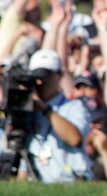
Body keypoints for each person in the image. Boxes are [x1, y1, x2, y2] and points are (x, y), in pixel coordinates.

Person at [23, 49, 93, 182]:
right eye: (37, 76)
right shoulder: (28, 111)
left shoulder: (74, 106)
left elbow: (74, 139)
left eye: (47, 74)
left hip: (70, 180)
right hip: (38, 182)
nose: (42, 81)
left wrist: (46, 110)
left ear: (59, 76)